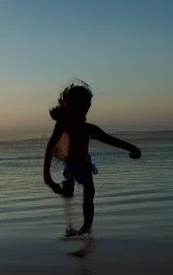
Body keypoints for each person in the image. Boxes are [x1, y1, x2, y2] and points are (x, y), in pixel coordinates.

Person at [43, 80, 141, 236]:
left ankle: (84, 227)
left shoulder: (88, 129)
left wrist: (132, 148)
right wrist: (47, 177)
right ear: (68, 105)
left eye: (85, 105)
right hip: (73, 165)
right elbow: (50, 147)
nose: (83, 109)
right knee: (83, 190)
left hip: (83, 165)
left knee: (87, 192)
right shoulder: (63, 125)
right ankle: (84, 227)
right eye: (78, 105)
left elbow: (110, 140)